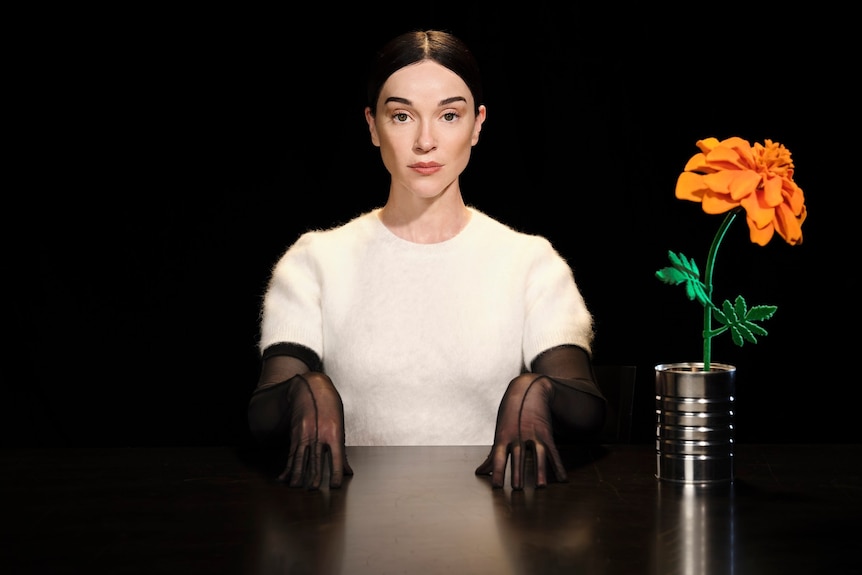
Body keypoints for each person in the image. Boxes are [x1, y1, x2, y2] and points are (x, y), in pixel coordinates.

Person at [247, 29, 606, 491]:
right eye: (401, 116)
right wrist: (305, 389)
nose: (425, 141)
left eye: (449, 115)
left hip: (494, 538)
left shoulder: (530, 262)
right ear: (373, 126)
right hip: (346, 538)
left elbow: (588, 409)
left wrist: (536, 389)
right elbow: (262, 416)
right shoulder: (314, 260)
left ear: (477, 124)